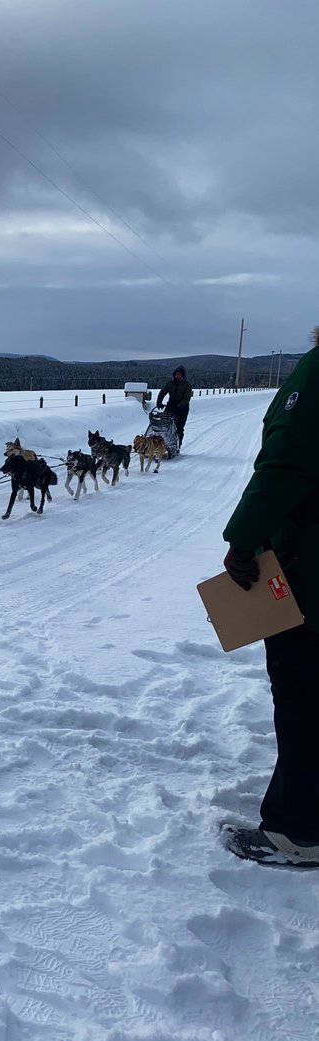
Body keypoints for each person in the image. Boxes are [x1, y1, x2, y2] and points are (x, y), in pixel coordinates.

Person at [221, 326, 319, 867]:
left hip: (310, 569)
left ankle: (298, 830)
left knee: (304, 693)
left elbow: (287, 464)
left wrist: (243, 540)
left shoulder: (318, 371)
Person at [156, 365, 193, 447]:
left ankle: (177, 445)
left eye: (179, 374)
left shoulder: (187, 385)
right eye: (176, 374)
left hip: (182, 409)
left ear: (182, 375)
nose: (177, 375)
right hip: (170, 406)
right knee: (164, 424)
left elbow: (186, 398)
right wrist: (159, 402)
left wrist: (179, 406)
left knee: (179, 428)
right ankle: (162, 443)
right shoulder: (170, 383)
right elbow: (163, 392)